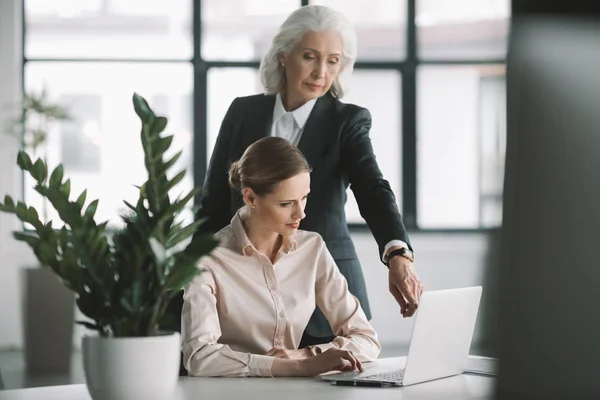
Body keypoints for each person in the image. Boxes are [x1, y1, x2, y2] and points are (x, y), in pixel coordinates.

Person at [195, 5, 423, 349]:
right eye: (310, 56)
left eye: (333, 61)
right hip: (242, 287)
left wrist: (397, 254)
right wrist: (187, 275)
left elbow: (373, 189)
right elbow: (213, 204)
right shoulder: (243, 112)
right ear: (284, 56)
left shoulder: (347, 121)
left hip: (322, 292)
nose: (321, 71)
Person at [182, 137, 380, 377]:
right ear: (251, 198)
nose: (301, 213)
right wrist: (296, 367)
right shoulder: (208, 259)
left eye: (304, 197)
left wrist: (304, 355)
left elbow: (367, 340)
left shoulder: (312, 248)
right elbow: (199, 357)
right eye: (286, 203)